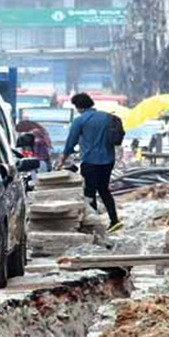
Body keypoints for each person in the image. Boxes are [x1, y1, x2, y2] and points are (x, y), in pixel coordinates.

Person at [57, 92, 122, 233]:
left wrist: (62, 159)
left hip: (90, 161)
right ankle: (114, 220)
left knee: (89, 191)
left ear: (78, 106)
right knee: (104, 189)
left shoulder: (80, 120)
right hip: (108, 160)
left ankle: (92, 225)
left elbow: (71, 142)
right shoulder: (106, 117)